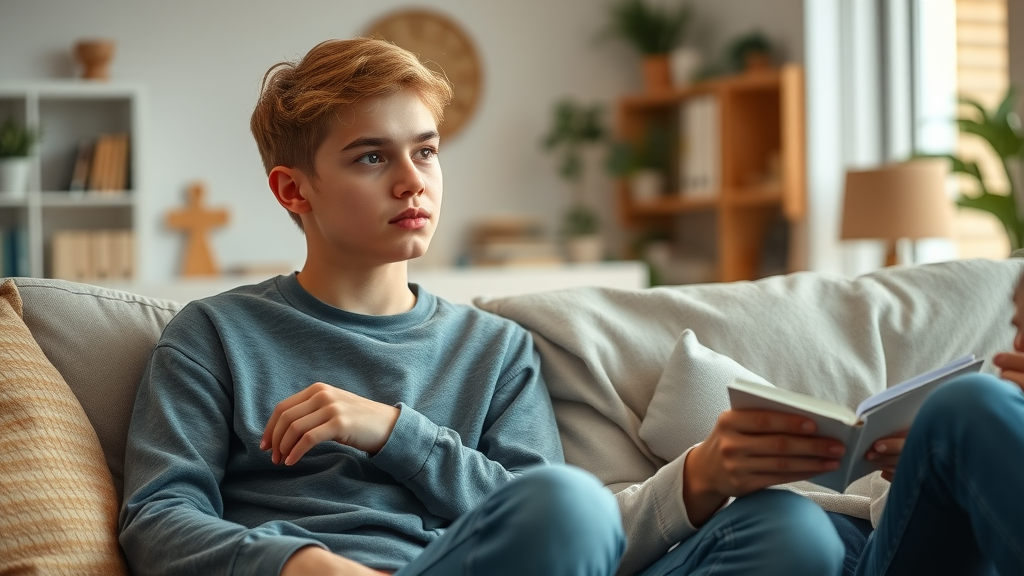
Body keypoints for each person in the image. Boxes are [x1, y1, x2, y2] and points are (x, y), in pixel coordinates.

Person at [117, 38, 625, 576]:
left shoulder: (496, 348)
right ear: (293, 190)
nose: (413, 183)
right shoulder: (214, 334)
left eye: (425, 152)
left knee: (597, 505)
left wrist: (393, 432)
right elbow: (156, 518)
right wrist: (310, 566)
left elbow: (547, 517)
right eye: (372, 157)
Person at [635, 273, 1024, 576]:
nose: (1015, 348)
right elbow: (584, 548)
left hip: (876, 544)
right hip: (792, 539)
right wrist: (697, 478)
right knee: (967, 404)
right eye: (1018, 328)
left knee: (968, 406)